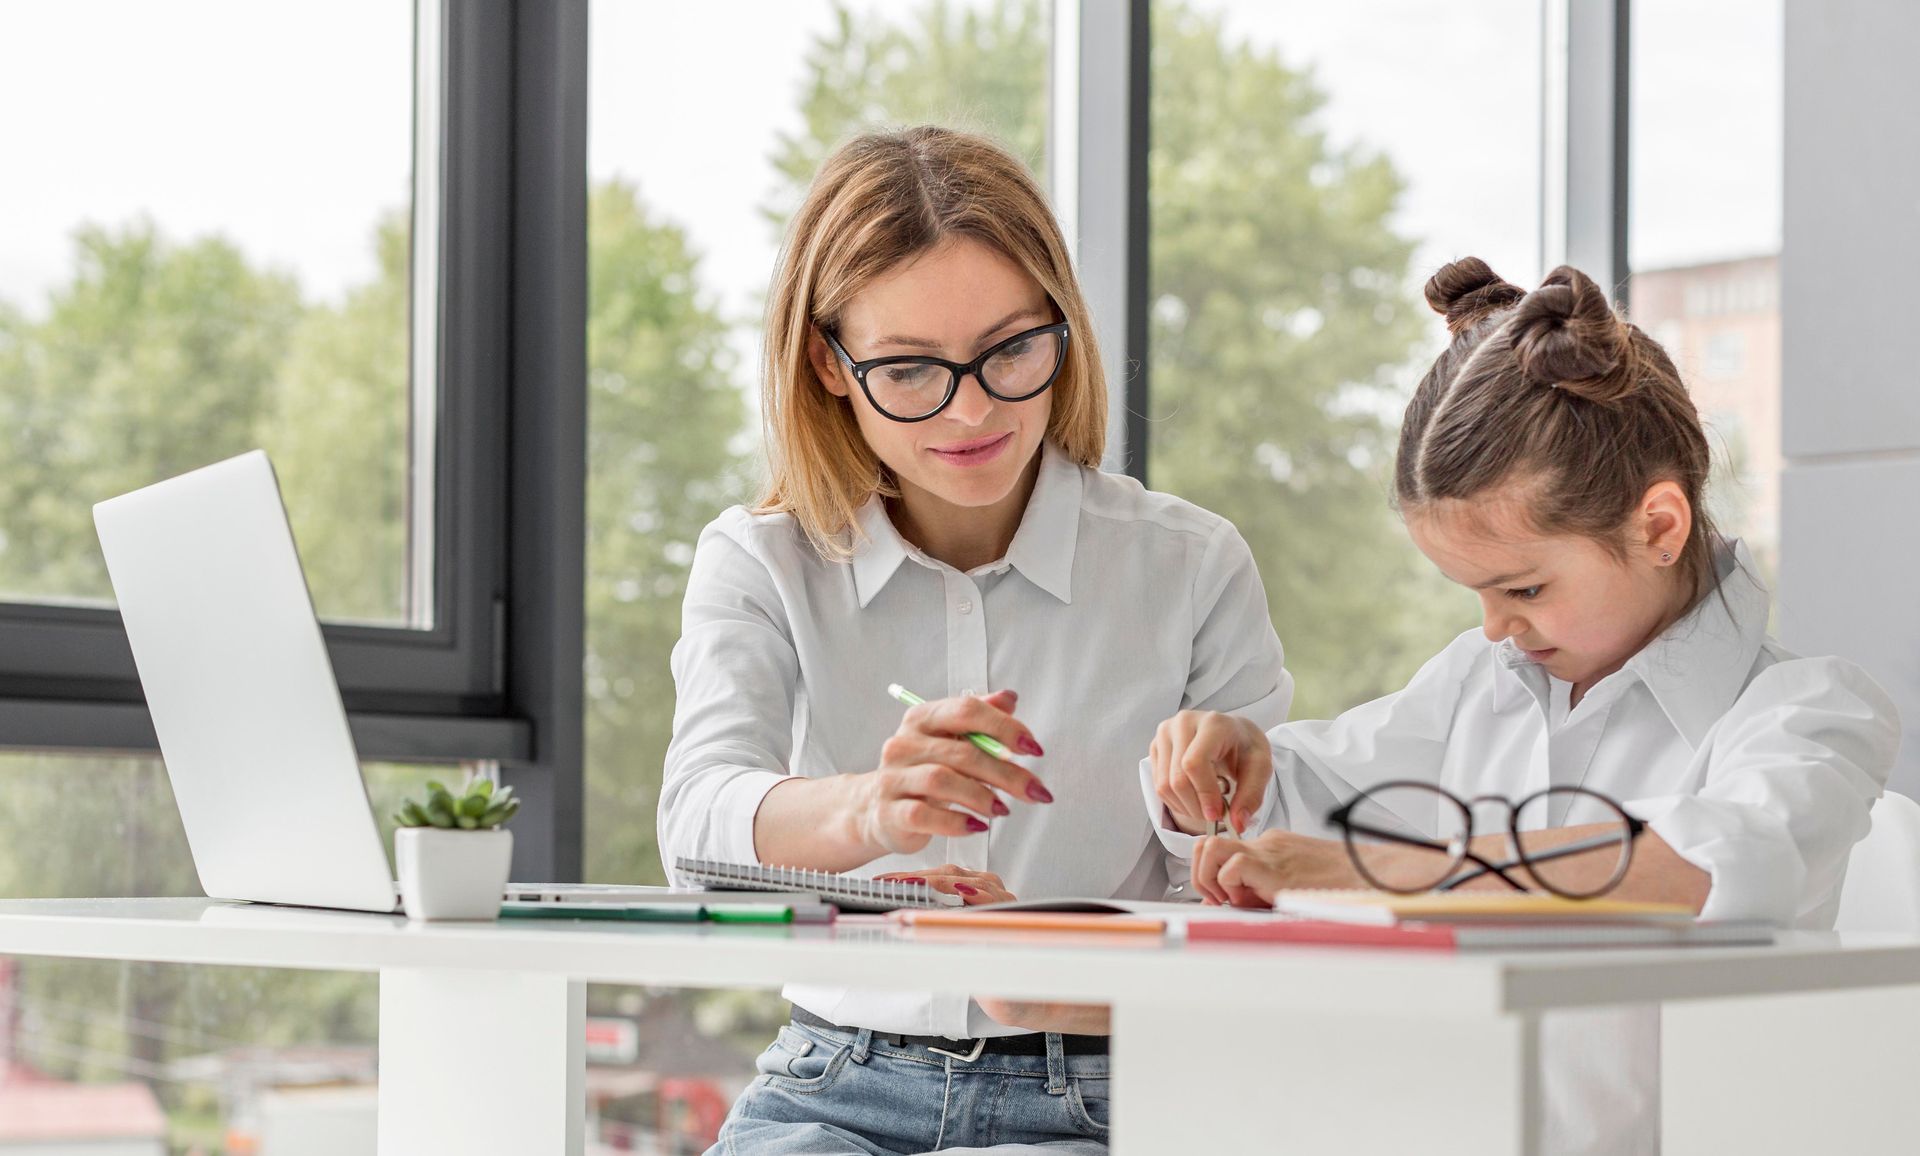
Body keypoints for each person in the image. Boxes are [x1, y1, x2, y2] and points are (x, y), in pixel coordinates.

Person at [1146, 258, 1899, 1155]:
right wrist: (1235, 760)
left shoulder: (1808, 715)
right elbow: (1314, 791)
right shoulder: (1480, 681)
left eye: (1526, 588)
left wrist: (1367, 870)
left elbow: (1698, 869)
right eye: (1475, 594)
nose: (1497, 625)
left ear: (1659, 526)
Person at [659, 125, 1292, 1155]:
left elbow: (1241, 919)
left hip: (1103, 1091)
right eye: (910, 370)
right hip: (832, 1080)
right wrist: (866, 807)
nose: (971, 408)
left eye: (1010, 351)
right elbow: (695, 828)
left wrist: (1203, 842)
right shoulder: (761, 562)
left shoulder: (1191, 565)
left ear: (1059, 329)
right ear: (828, 361)